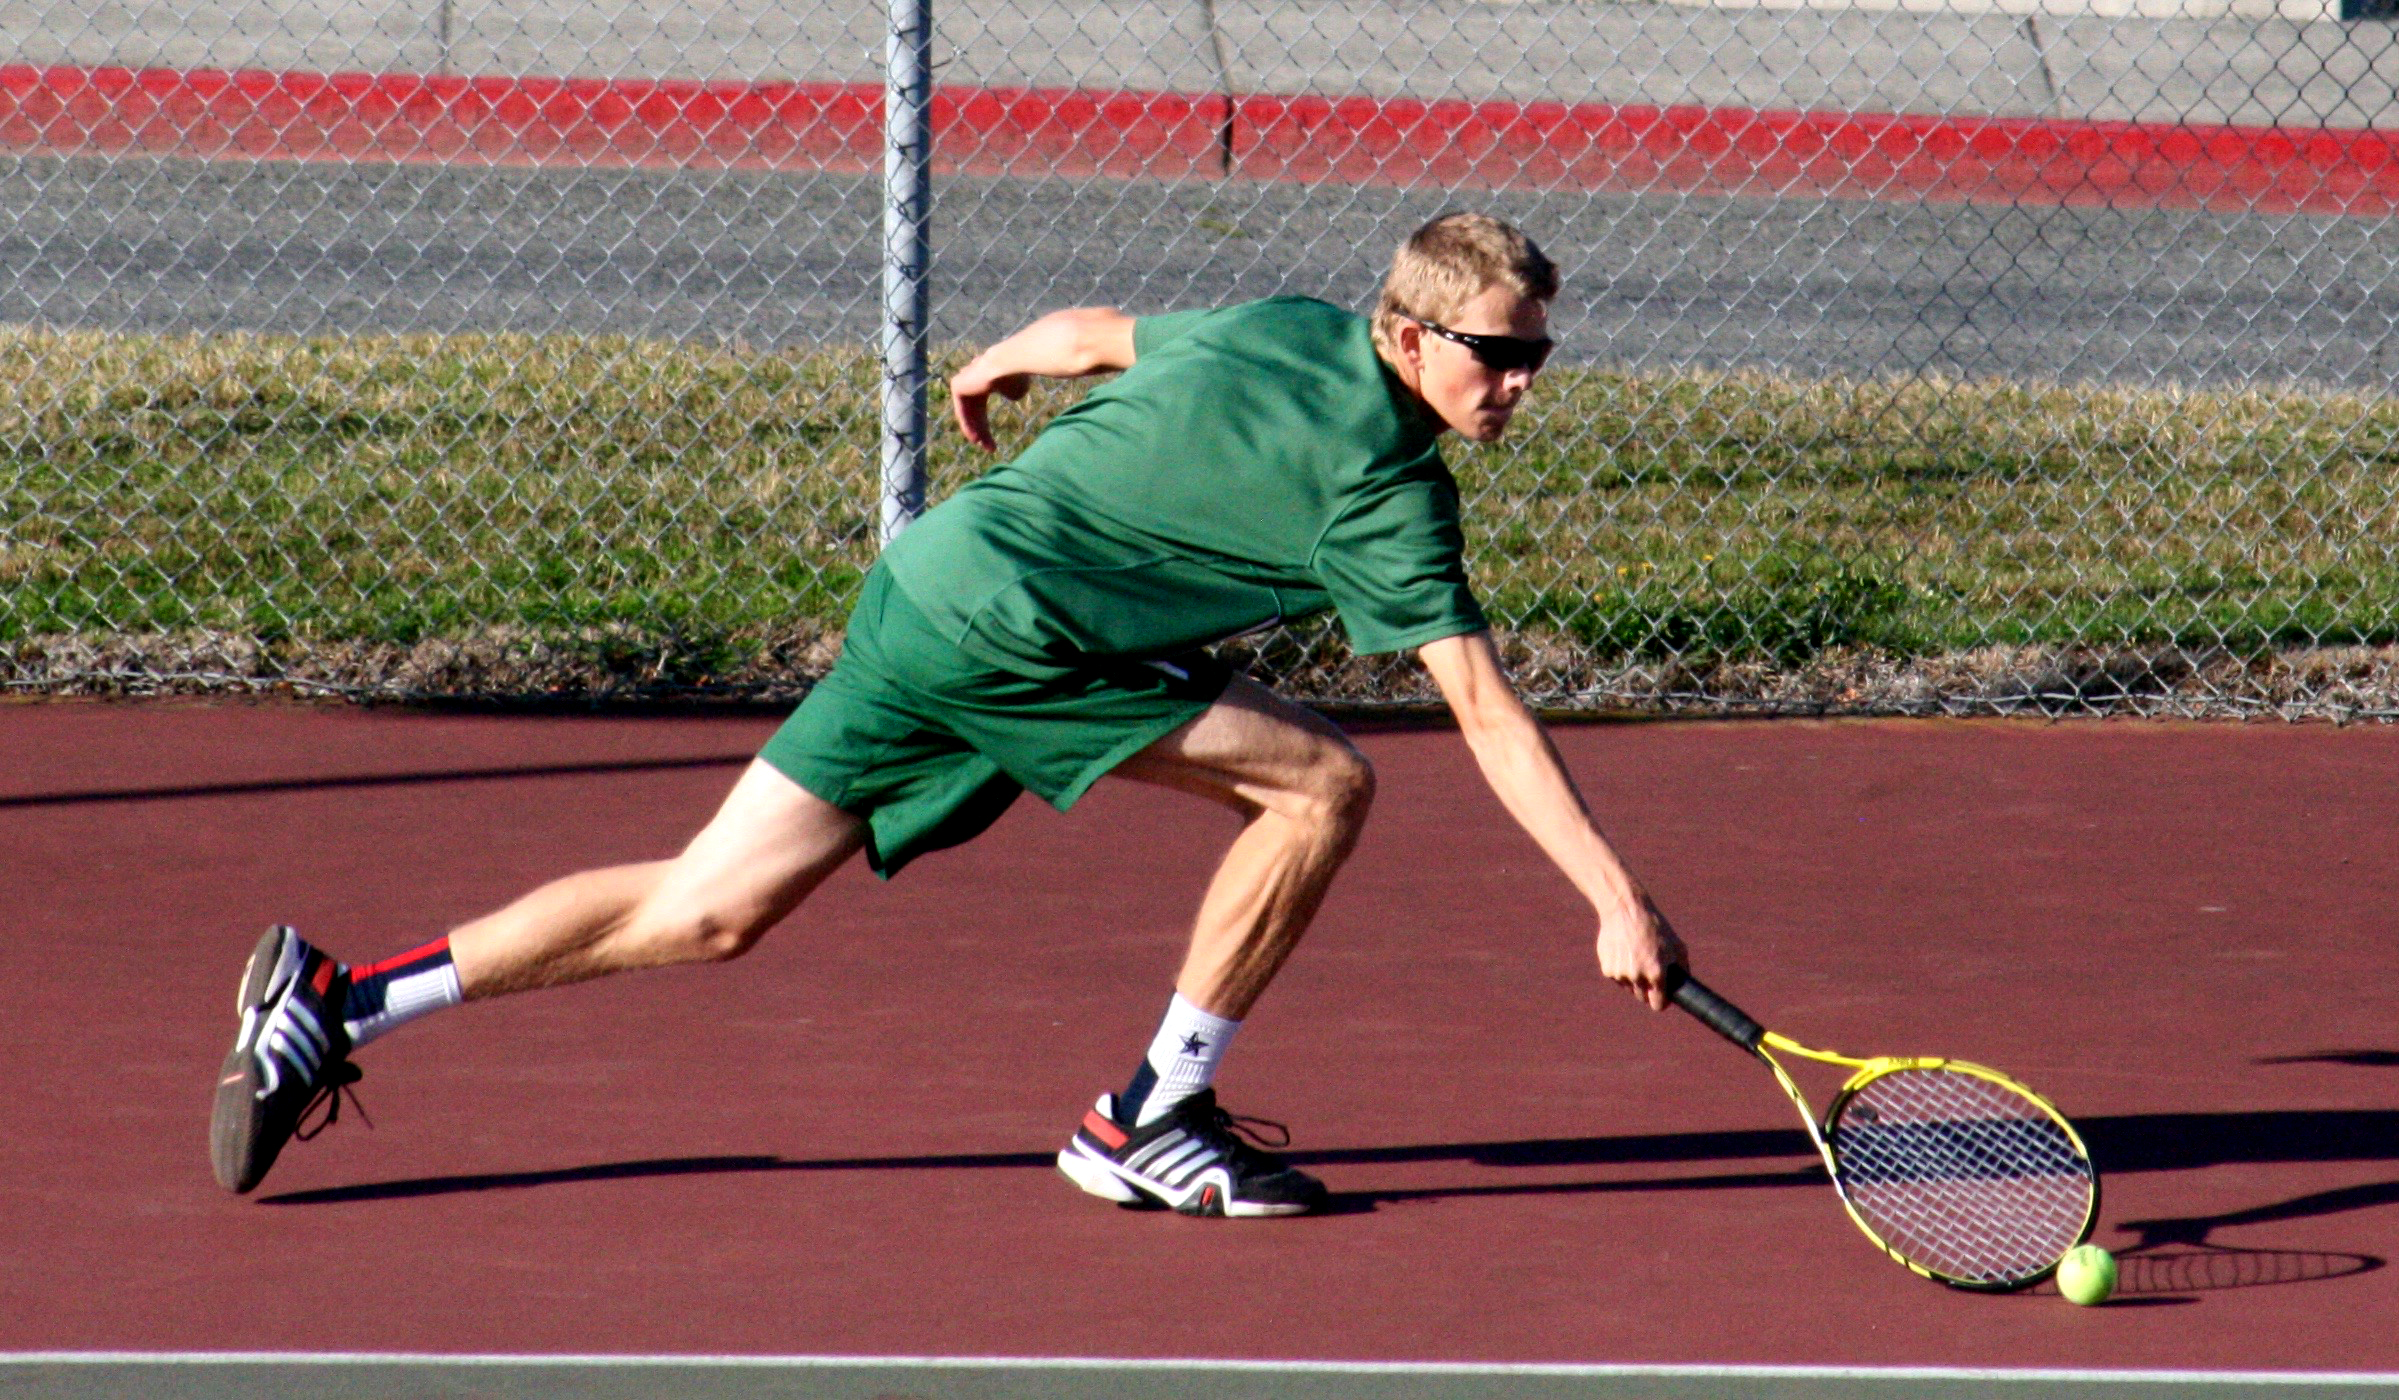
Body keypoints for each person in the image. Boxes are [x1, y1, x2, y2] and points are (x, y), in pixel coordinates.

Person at [210, 211, 1688, 1216]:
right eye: (1498, 354)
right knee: (1322, 787)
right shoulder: (1391, 494)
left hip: (927, 584)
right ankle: (1148, 1122)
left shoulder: (1286, 326)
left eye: (1536, 356)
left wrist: (988, 367)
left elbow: (1094, 332)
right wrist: (1614, 900)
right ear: (1414, 335)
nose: (1517, 385)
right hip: (1017, 631)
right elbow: (1485, 711)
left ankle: (333, 1006)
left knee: (711, 907)